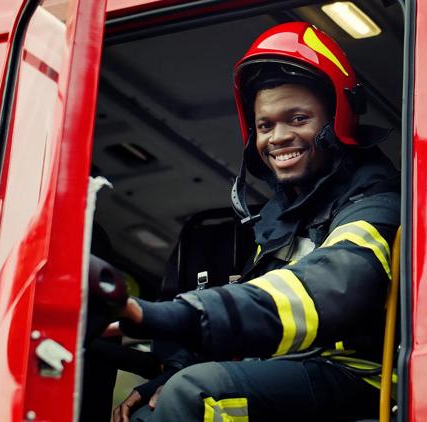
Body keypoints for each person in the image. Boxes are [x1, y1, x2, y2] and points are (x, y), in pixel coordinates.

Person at [111, 22, 400, 422]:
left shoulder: (378, 206)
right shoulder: (281, 221)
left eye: (297, 119)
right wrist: (172, 371)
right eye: (265, 125)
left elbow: (327, 289)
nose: (277, 137)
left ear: (340, 120)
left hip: (366, 382)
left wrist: (171, 314)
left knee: (199, 396)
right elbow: (263, 336)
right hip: (304, 374)